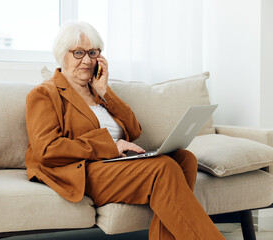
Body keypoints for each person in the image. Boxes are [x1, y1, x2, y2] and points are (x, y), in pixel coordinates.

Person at [25, 21, 225, 240]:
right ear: (62, 54)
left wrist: (104, 92)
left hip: (114, 163)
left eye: (93, 53)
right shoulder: (45, 94)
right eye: (79, 52)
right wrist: (110, 146)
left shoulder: (98, 90)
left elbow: (134, 129)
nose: (87, 60)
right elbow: (47, 149)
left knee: (184, 158)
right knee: (163, 168)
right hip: (82, 170)